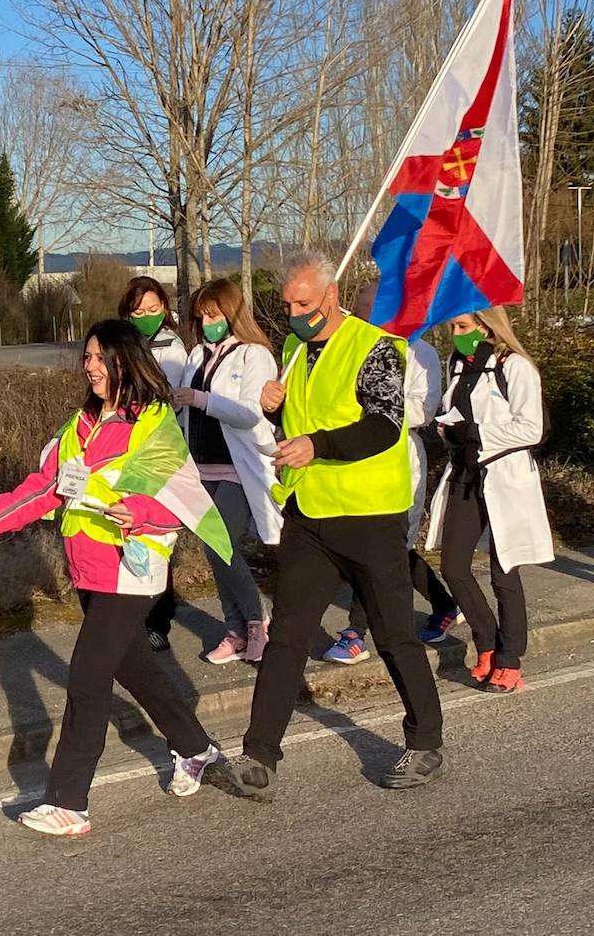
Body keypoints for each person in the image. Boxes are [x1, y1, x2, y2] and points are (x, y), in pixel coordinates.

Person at [0, 319, 233, 836]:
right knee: (135, 668)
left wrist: (139, 512)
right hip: (87, 568)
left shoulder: (153, 423)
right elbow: (46, 489)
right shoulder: (79, 425)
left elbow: (181, 496)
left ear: (125, 361)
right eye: (86, 357)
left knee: (87, 675)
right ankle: (196, 749)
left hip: (132, 567)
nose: (90, 366)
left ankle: (68, 801)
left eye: (99, 357)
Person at [225, 252, 445, 802]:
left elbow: (383, 426)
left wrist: (316, 446)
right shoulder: (298, 351)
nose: (296, 314)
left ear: (331, 292)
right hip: (311, 517)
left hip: (370, 516)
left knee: (394, 634)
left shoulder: (376, 348)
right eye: (288, 306)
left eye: (304, 302)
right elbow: (304, 422)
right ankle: (258, 756)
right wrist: (275, 409)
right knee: (288, 636)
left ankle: (425, 742)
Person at [324, 281, 461, 665]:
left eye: (376, 309)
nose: (367, 317)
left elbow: (423, 409)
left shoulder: (421, 354)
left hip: (399, 456)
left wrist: (377, 413)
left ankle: (355, 632)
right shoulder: (347, 350)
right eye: (361, 309)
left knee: (383, 544)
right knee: (379, 546)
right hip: (354, 457)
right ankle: (443, 602)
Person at [425, 307, 553, 693]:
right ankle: (486, 642)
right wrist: (448, 430)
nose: (455, 332)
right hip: (467, 474)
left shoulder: (515, 366)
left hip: (506, 477)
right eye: (452, 325)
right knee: (454, 566)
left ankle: (511, 658)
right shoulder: (458, 365)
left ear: (486, 326)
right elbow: (455, 414)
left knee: (504, 569)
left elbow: (531, 428)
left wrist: (476, 432)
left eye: (462, 326)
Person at [172, 278, 282, 665]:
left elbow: (251, 412)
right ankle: (235, 629)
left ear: (232, 313)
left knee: (225, 544)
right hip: (202, 466)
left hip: (240, 465)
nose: (206, 323)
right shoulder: (197, 355)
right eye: (201, 316)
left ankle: (257, 620)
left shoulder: (254, 355)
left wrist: (202, 399)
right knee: (213, 547)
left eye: (213, 315)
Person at [118, 276, 187, 651]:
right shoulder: (123, 346)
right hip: (123, 450)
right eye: (138, 311)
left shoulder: (171, 349)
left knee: (155, 534)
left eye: (152, 310)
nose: (146, 317)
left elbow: (163, 401)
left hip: (158, 452)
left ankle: (159, 618)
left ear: (165, 308)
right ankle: (131, 614)